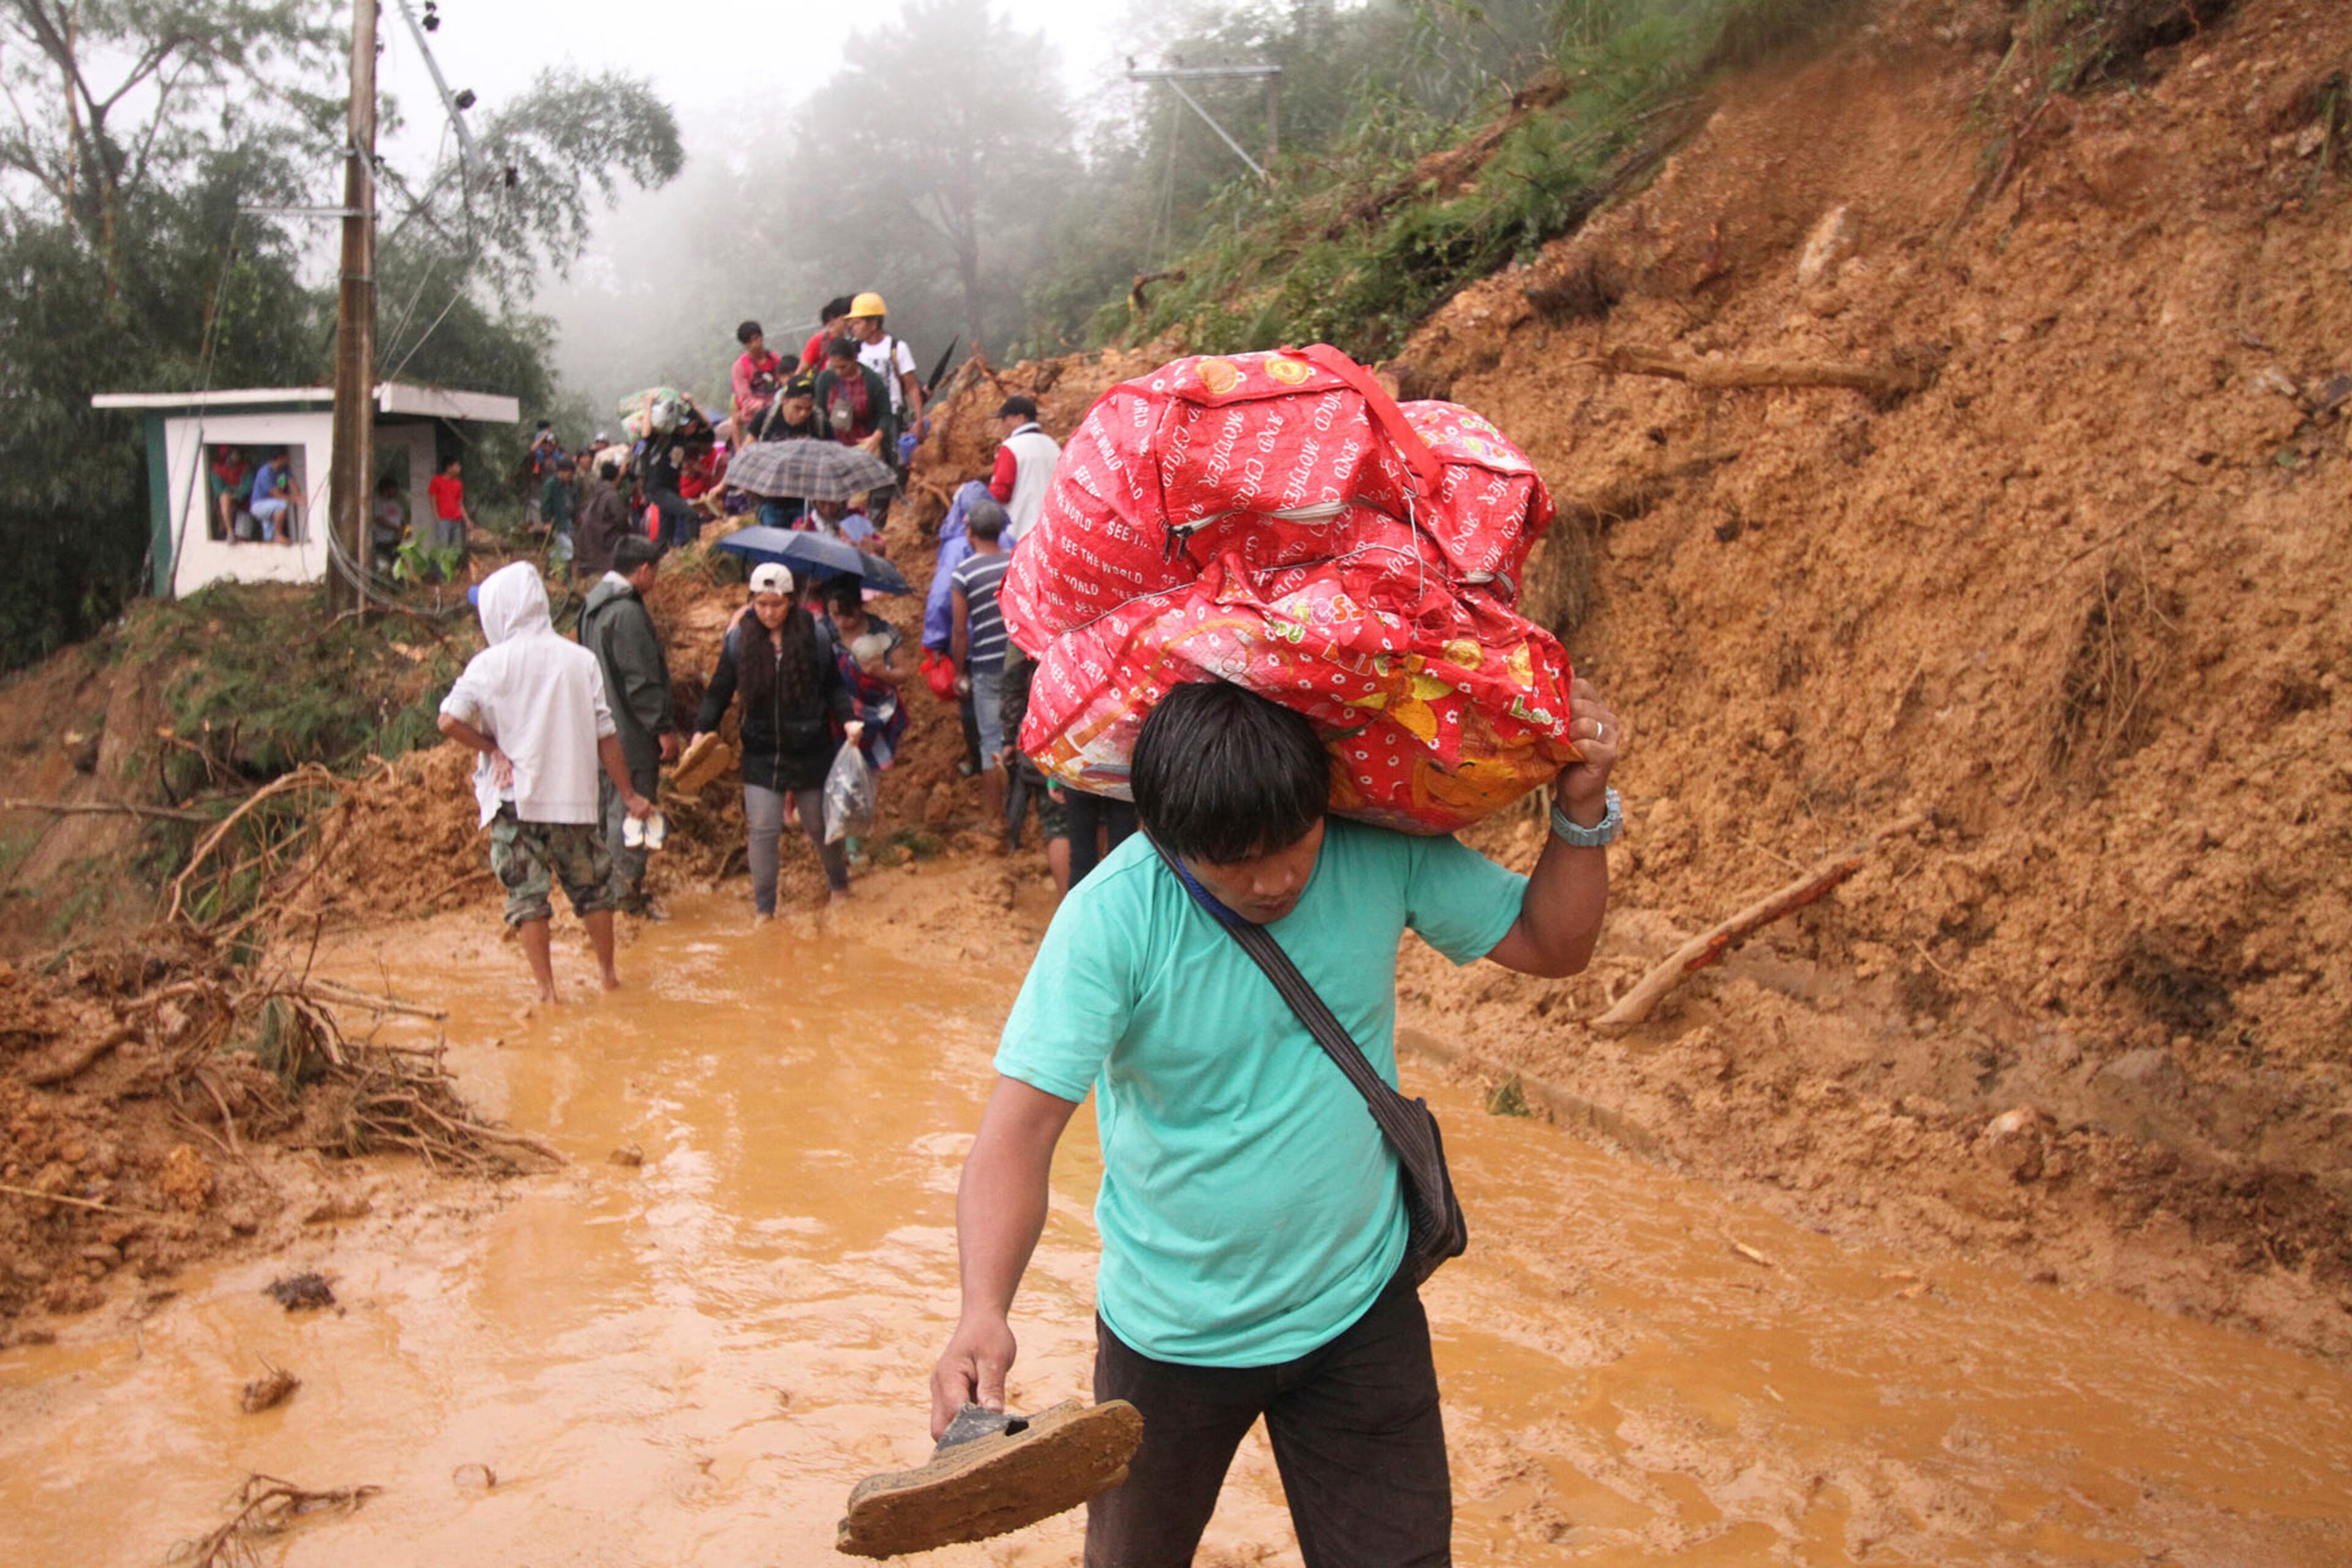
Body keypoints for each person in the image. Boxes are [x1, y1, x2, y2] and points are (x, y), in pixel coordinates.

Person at [929, 676, 1623, 1565]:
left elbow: (1554, 945)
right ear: (1172, 842)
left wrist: (1581, 810)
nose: (1276, 879)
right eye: (1236, 860)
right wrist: (982, 1309)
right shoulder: (1113, 919)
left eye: (1295, 842)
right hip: (1170, 1340)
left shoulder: (1373, 849)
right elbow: (1016, 1136)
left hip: (1358, 1312)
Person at [437, 562, 654, 1003]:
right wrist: (629, 795)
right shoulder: (580, 660)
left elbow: (447, 722)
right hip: (571, 800)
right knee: (594, 889)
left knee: (527, 897)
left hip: (514, 799)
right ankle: (609, 977)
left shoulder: (488, 664)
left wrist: (491, 747)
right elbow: (606, 736)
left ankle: (547, 992)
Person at [688, 563, 859, 916]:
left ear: (791, 602)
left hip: (809, 747)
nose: (769, 613)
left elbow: (833, 688)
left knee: (819, 824)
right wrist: (702, 729)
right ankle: (765, 910)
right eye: (761, 604)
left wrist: (848, 722)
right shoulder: (740, 641)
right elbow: (719, 690)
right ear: (752, 602)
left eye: (776, 605)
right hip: (762, 749)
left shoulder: (815, 638)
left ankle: (840, 887)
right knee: (763, 831)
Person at [581, 535, 679, 916]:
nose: (656, 580)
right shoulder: (628, 614)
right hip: (632, 735)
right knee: (634, 811)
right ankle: (625, 900)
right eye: (655, 572)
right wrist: (663, 728)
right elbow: (641, 681)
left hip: (602, 732)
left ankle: (610, 891)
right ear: (643, 570)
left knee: (609, 810)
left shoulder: (592, 606)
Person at [949, 499, 1013, 824]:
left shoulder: (963, 574)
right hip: (1021, 663)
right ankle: (1029, 817)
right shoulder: (1015, 561)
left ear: (969, 531)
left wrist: (959, 672)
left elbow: (960, 632)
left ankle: (994, 820)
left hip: (987, 667)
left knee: (991, 740)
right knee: (1023, 737)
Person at [924, 481, 991, 776]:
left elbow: (941, 597)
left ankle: (978, 761)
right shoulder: (1006, 538)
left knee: (970, 699)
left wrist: (936, 641)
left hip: (971, 638)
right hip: (1005, 636)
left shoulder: (955, 547)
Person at [995, 641, 1069, 896]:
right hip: (1101, 737)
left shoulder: (1029, 617)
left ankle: (1069, 906)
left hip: (1048, 737)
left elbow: (1014, 684)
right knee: (1101, 820)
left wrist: (1008, 739)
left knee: (1058, 824)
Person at [820, 576, 908, 770]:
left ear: (859, 607)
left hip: (875, 715)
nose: (840, 622)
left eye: (847, 615)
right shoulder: (823, 631)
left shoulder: (882, 631)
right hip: (835, 718)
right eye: (835, 615)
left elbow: (903, 673)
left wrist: (880, 673)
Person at [987, 396, 1061, 545]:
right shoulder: (1053, 446)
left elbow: (1000, 493)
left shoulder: (1011, 448)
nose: (1003, 425)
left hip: (1021, 533)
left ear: (1020, 419)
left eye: (1005, 420)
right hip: (1053, 531)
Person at [813, 336, 897, 455]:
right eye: (834, 367)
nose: (838, 372)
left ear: (855, 358)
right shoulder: (826, 379)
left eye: (843, 367)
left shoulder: (872, 381)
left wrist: (877, 436)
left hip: (866, 445)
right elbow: (819, 412)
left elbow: (885, 414)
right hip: (835, 448)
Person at [732, 320, 788, 442]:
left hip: (779, 413)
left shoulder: (775, 359)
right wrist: (765, 405)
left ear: (762, 337)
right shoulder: (740, 367)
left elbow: (785, 381)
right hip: (755, 420)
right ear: (745, 345)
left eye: (757, 339)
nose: (755, 345)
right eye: (750, 342)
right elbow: (745, 399)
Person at [575, 459, 630, 579]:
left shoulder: (596, 491)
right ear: (616, 478)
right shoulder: (612, 496)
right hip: (605, 540)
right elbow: (621, 520)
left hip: (587, 539)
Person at [246, 449, 300, 546]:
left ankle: (272, 540)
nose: (289, 459)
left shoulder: (283, 470)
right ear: (280, 458)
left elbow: (293, 487)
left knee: (269, 538)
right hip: (259, 505)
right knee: (282, 505)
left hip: (271, 504)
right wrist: (295, 499)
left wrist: (298, 497)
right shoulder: (265, 472)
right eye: (287, 457)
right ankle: (278, 535)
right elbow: (276, 494)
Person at [541, 454, 579, 575]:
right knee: (566, 549)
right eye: (569, 473)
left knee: (559, 549)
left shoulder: (571, 485)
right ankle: (567, 577)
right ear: (562, 472)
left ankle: (549, 573)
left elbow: (574, 501)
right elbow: (545, 504)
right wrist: (546, 521)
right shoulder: (551, 484)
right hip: (557, 521)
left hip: (568, 520)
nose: (570, 476)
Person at [799, 294, 856, 372]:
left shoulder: (857, 340)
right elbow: (802, 369)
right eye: (845, 319)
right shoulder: (819, 341)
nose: (849, 323)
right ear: (833, 319)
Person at [523, 423, 564, 527]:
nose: (548, 446)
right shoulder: (536, 458)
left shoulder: (557, 457)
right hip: (537, 494)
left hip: (553, 495)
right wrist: (543, 438)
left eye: (550, 444)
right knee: (537, 524)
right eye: (545, 444)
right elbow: (532, 450)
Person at [427, 456, 472, 551]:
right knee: (443, 548)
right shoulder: (436, 481)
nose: (459, 468)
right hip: (444, 520)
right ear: (449, 468)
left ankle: (453, 566)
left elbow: (460, 503)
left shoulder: (458, 484)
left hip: (457, 519)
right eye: (456, 466)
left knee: (455, 549)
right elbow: (433, 500)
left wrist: (467, 520)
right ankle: (441, 566)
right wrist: (437, 518)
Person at [208, 447, 252, 541]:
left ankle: (239, 537)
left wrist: (237, 495)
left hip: (243, 501)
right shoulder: (217, 469)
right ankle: (229, 532)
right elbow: (219, 489)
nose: (237, 457)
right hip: (226, 501)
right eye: (234, 455)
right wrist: (230, 494)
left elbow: (247, 487)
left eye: (238, 455)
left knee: (243, 537)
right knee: (224, 499)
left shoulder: (245, 468)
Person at [371, 474, 407, 570]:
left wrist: (403, 531)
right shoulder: (378, 503)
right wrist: (396, 528)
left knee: (397, 565)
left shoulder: (396, 504)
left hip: (396, 540)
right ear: (386, 489)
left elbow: (402, 521)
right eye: (393, 488)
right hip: (382, 540)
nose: (396, 491)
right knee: (384, 565)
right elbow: (380, 520)